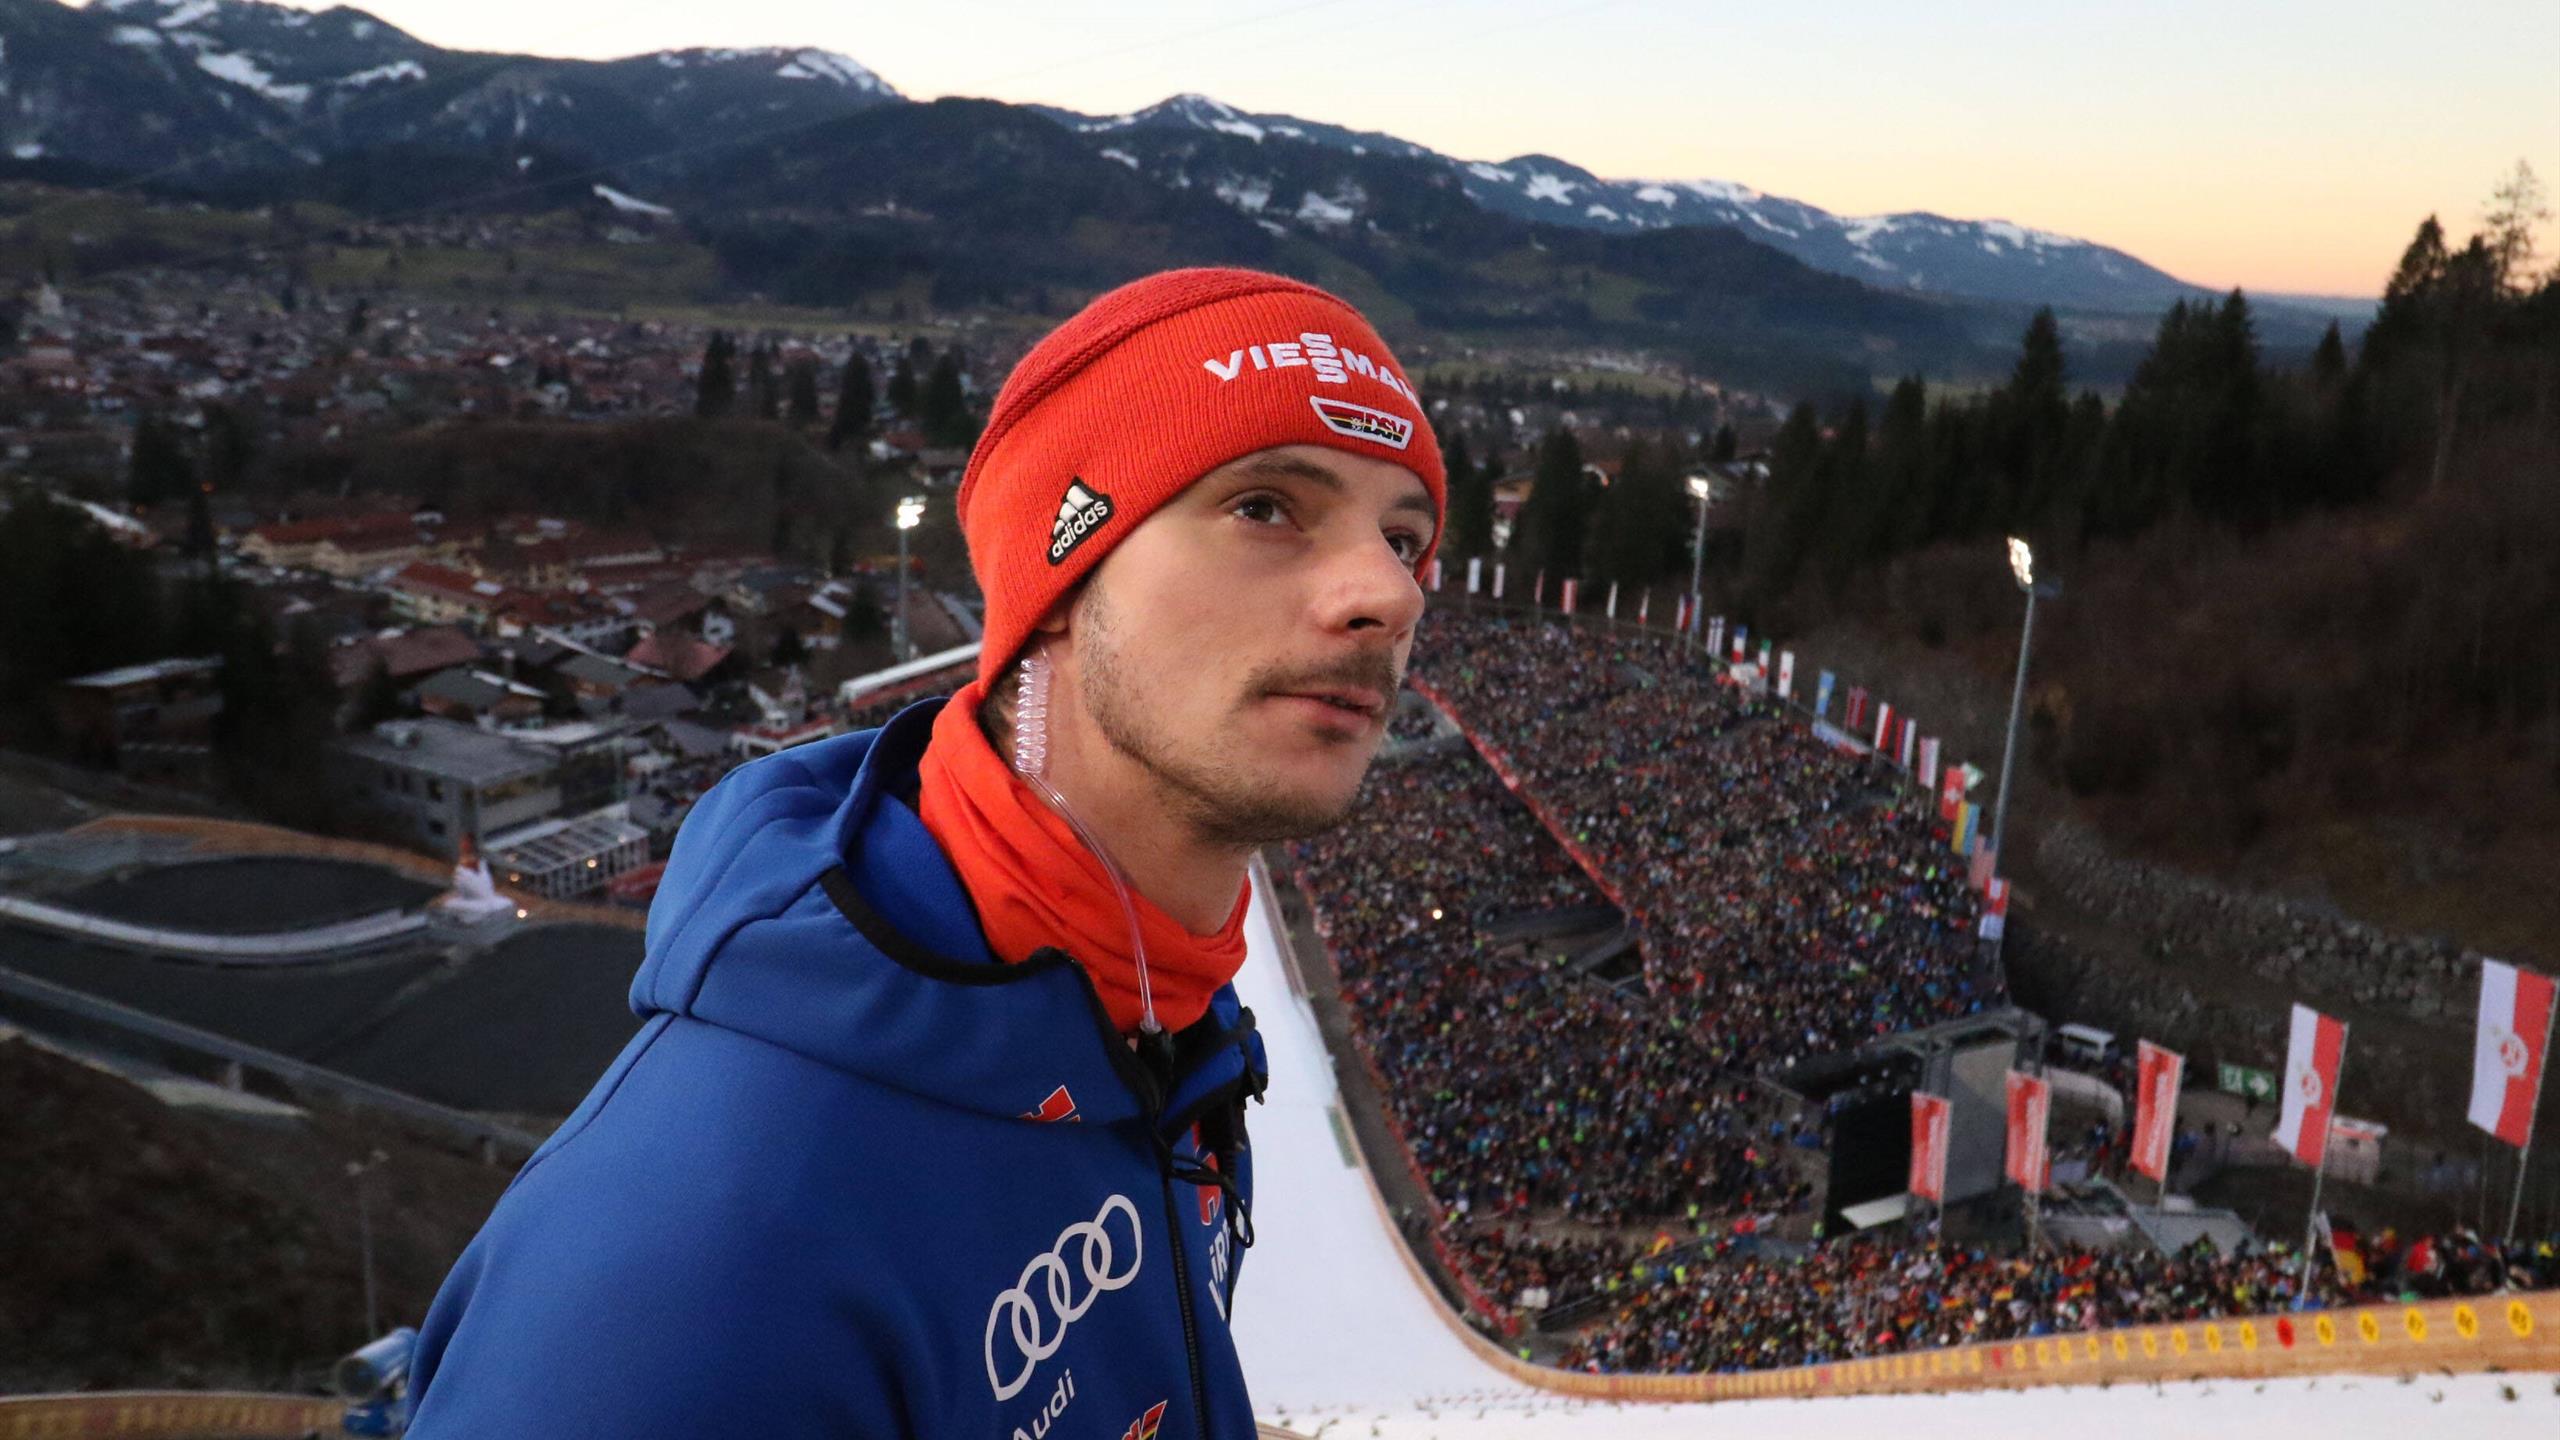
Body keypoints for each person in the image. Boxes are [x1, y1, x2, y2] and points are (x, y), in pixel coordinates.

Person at [398, 268, 1443, 1439]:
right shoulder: (706, 1267)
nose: (1384, 593)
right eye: (1266, 507)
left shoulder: (1164, 1025)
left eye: (1406, 539)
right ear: (1058, 577)